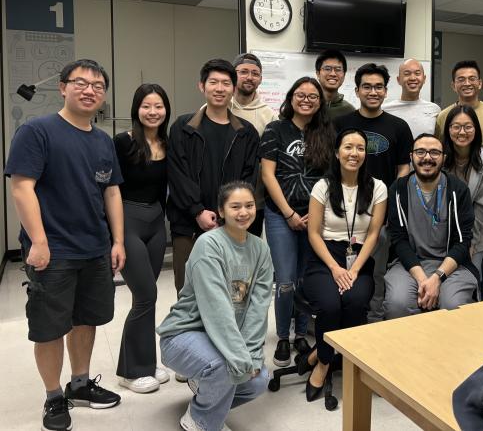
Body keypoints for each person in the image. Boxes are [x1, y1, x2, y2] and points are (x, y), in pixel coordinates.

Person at [6, 59, 124, 431]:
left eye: (98, 85)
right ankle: (54, 396)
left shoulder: (103, 141)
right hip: (52, 252)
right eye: (81, 83)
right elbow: (21, 186)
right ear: (62, 87)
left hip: (94, 248)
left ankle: (80, 383)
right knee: (49, 327)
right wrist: (38, 242)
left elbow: (112, 191)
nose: (90, 90)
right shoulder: (37, 131)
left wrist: (117, 240)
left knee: (87, 320)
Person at [157, 182, 273, 431]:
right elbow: (217, 311)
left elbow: (258, 307)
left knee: (259, 379)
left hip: (221, 339)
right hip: (184, 335)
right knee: (224, 366)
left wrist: (251, 357)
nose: (243, 212)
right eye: (235, 206)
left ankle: (204, 399)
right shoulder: (208, 245)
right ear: (221, 211)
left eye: (249, 206)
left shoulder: (260, 249)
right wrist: (240, 361)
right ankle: (200, 421)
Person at [302, 129, 387, 401]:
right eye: (348, 147)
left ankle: (324, 354)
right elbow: (314, 233)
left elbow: (373, 234)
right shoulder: (323, 187)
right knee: (330, 305)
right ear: (337, 152)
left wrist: (353, 270)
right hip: (325, 258)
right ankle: (325, 362)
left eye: (360, 148)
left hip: (358, 258)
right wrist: (336, 269)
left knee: (356, 301)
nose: (354, 153)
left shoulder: (378, 187)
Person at [167, 59, 259, 294]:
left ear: (234, 89)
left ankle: (230, 332)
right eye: (213, 82)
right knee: (189, 291)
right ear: (202, 86)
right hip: (188, 223)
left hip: (232, 223)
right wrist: (197, 211)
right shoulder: (183, 127)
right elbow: (178, 174)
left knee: (233, 290)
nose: (219, 88)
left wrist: (229, 213)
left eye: (226, 83)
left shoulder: (246, 133)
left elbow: (249, 178)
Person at [261, 77, 334, 366]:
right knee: (286, 281)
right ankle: (282, 337)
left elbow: (330, 177)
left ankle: (301, 333)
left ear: (320, 102)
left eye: (313, 96)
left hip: (314, 215)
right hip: (280, 215)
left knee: (307, 278)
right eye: (301, 94)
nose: (306, 100)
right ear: (291, 98)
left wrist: (312, 215)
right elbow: (268, 175)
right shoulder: (275, 130)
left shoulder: (326, 133)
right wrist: (289, 213)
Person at [334, 63, 412, 322]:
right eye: (367, 86)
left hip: (382, 213)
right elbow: (333, 166)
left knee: (377, 271)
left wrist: (387, 201)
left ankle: (374, 321)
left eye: (379, 87)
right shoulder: (341, 124)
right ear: (356, 90)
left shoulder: (399, 126)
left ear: (386, 91)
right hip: (344, 213)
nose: (373, 91)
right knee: (343, 267)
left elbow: (404, 168)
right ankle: (345, 319)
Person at [114, 84, 171, 393]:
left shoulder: (167, 142)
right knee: (146, 294)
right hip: (128, 221)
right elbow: (109, 190)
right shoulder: (123, 143)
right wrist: (115, 236)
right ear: (136, 109)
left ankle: (147, 362)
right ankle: (130, 370)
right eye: (147, 106)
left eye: (159, 106)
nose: (153, 112)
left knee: (147, 297)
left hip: (155, 222)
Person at [384, 134, 478, 318]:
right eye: (420, 152)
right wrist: (422, 279)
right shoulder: (398, 189)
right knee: (398, 304)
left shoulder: (457, 190)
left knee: (454, 305)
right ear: (411, 156)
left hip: (451, 265)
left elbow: (462, 242)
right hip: (409, 264)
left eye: (434, 152)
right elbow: (399, 240)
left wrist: (437, 278)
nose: (427, 157)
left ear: (444, 158)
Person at [442, 105, 483, 300]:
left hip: (475, 240)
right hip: (440, 239)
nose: (462, 132)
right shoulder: (439, 159)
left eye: (468, 127)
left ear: (476, 129)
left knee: (473, 293)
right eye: (456, 127)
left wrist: (467, 243)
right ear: (448, 129)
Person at [229, 53, 278, 237]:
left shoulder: (270, 116)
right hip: (219, 198)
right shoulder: (218, 107)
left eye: (255, 74)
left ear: (260, 79)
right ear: (233, 75)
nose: (250, 77)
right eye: (244, 72)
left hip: (254, 201)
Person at [435, 60, 483, 156]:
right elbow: (439, 150)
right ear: (453, 86)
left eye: (472, 79)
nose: (467, 83)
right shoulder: (443, 116)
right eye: (461, 79)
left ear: (480, 83)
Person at [383, 58, 440, 139]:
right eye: (407, 74)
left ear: (424, 79)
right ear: (398, 80)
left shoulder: (434, 110)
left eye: (417, 73)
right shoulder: (385, 110)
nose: (413, 78)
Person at [315, 49, 355, 120]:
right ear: (318, 74)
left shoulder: (350, 111)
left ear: (344, 75)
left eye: (338, 69)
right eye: (327, 69)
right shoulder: (308, 105)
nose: (333, 74)